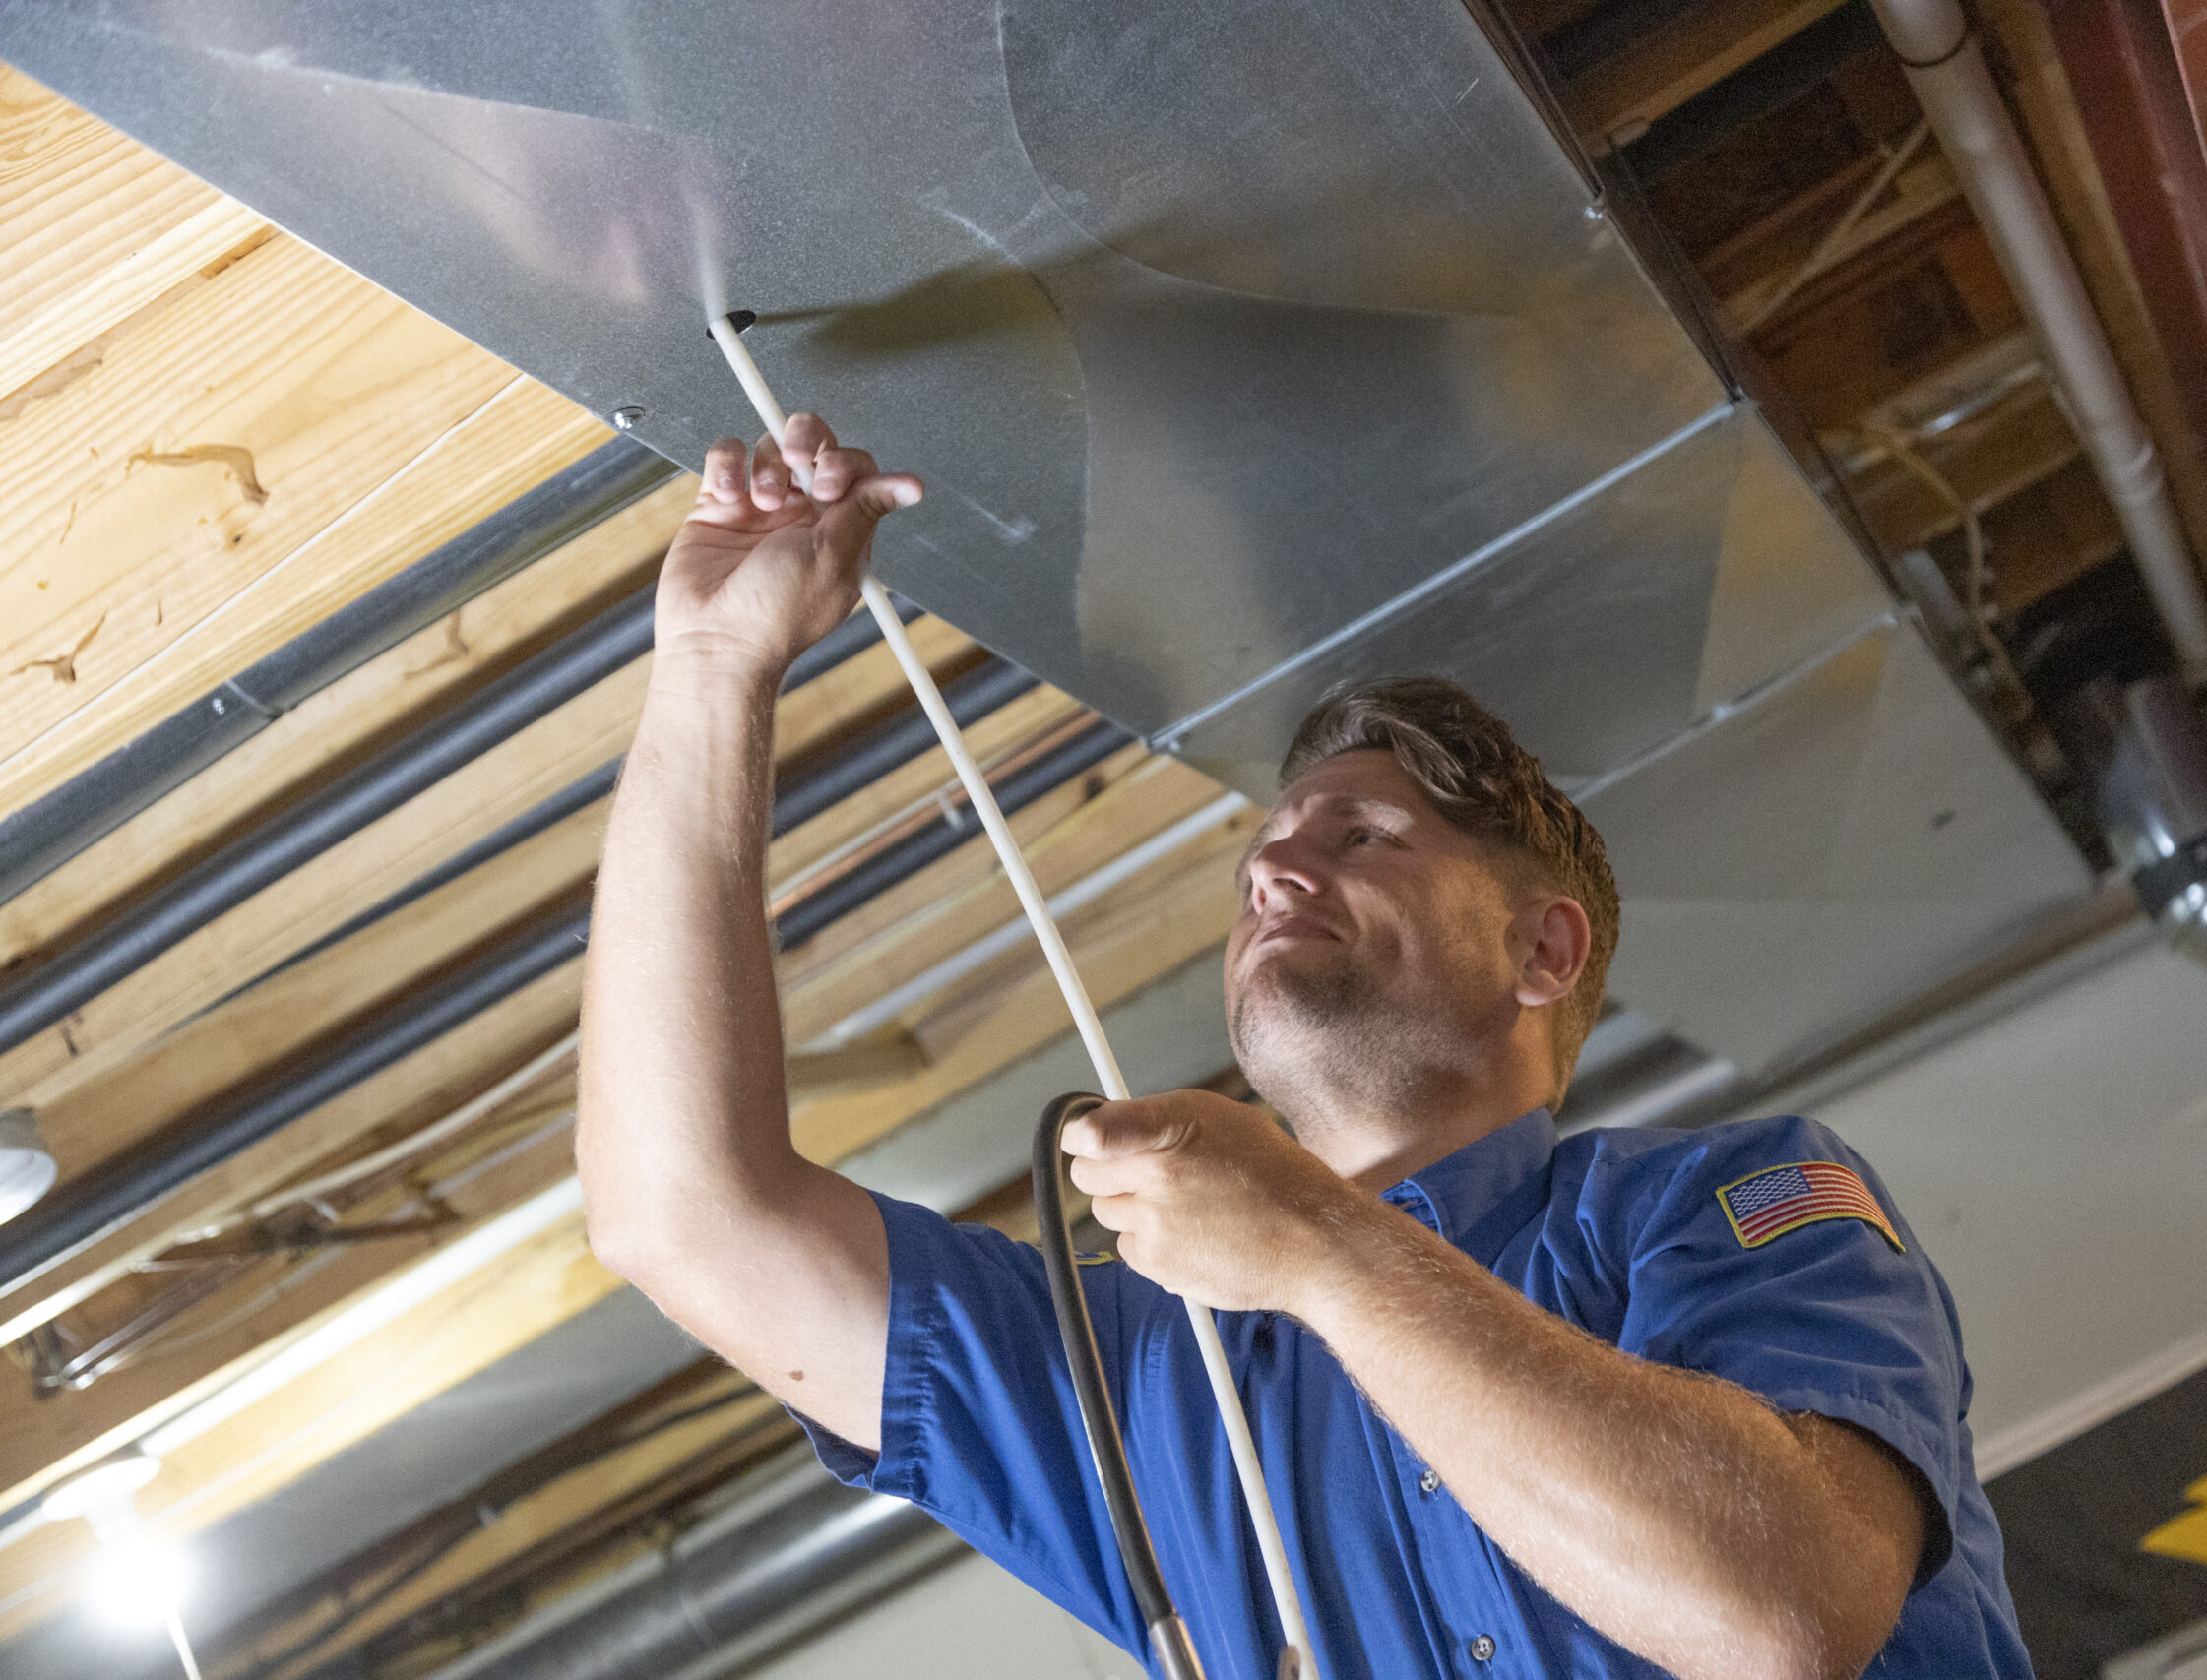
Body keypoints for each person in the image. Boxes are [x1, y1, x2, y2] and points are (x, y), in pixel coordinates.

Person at [579, 415, 2035, 1680]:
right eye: (1265, 855)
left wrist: (1320, 1247)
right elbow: (683, 1215)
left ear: (1543, 951)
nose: (1274, 873)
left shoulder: (1712, 1207)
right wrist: (712, 668)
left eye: (1362, 836)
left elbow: (1779, 1618)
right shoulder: (1142, 1371)